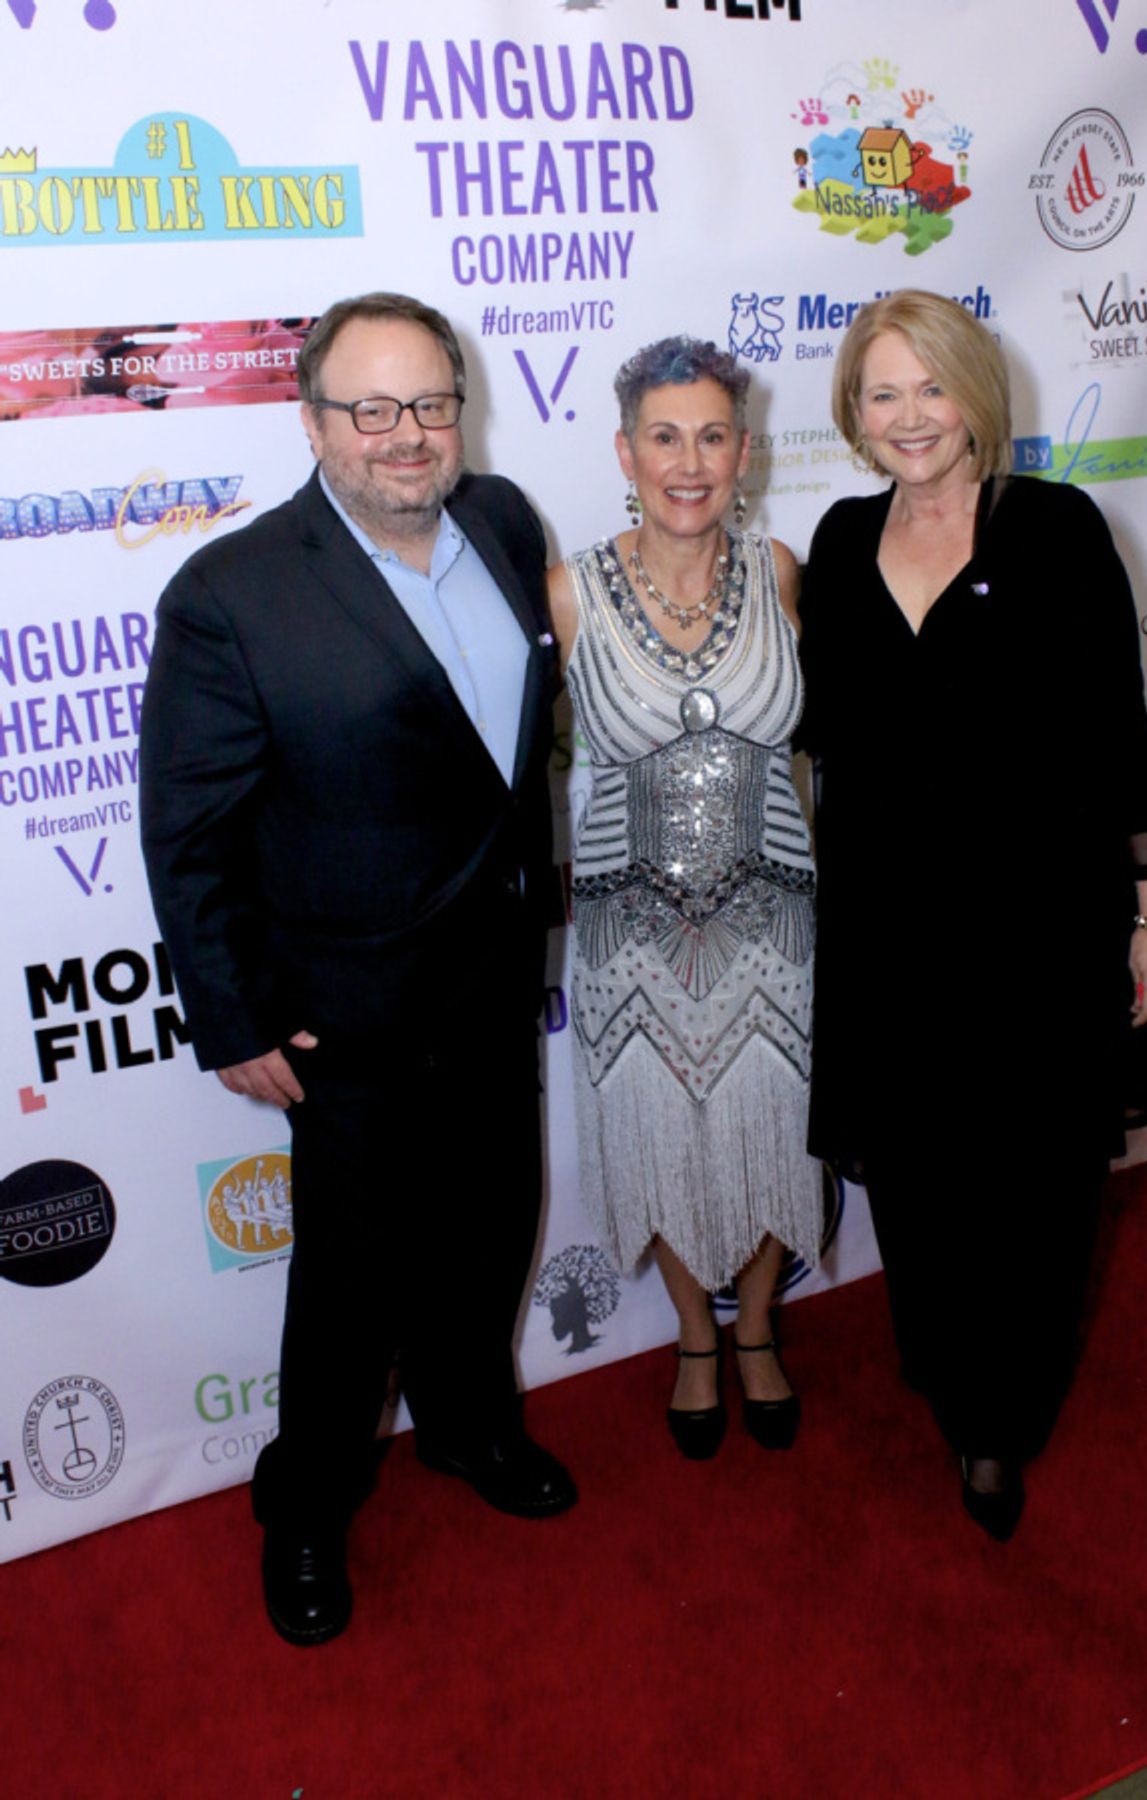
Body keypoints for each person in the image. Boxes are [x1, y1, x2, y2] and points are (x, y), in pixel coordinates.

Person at [140, 291, 575, 1647]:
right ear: (313, 419)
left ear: (463, 408)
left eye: (431, 404)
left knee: (492, 1226)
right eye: (370, 408)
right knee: (348, 1287)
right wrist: (234, 1012)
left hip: (496, 979)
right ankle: (311, 1509)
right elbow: (190, 828)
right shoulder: (233, 593)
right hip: (344, 1014)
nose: (406, 435)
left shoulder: (503, 525)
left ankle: (466, 1430)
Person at [800, 288, 1147, 1538]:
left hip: (1038, 927)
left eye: (932, 387)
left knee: (1033, 1186)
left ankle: (999, 1422)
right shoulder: (843, 538)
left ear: (976, 393)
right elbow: (819, 735)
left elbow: (1119, 733)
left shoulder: (1058, 525)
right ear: (853, 413)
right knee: (915, 1177)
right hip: (887, 933)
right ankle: (948, 1371)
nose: (911, 416)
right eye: (882, 393)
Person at [548, 337, 825, 1458]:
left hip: (775, 921)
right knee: (660, 1141)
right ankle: (692, 1342)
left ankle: (754, 1327)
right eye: (665, 435)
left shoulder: (784, 570)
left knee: (769, 1139)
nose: (690, 460)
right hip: (627, 935)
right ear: (626, 449)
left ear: (745, 451)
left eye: (713, 434)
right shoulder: (567, 588)